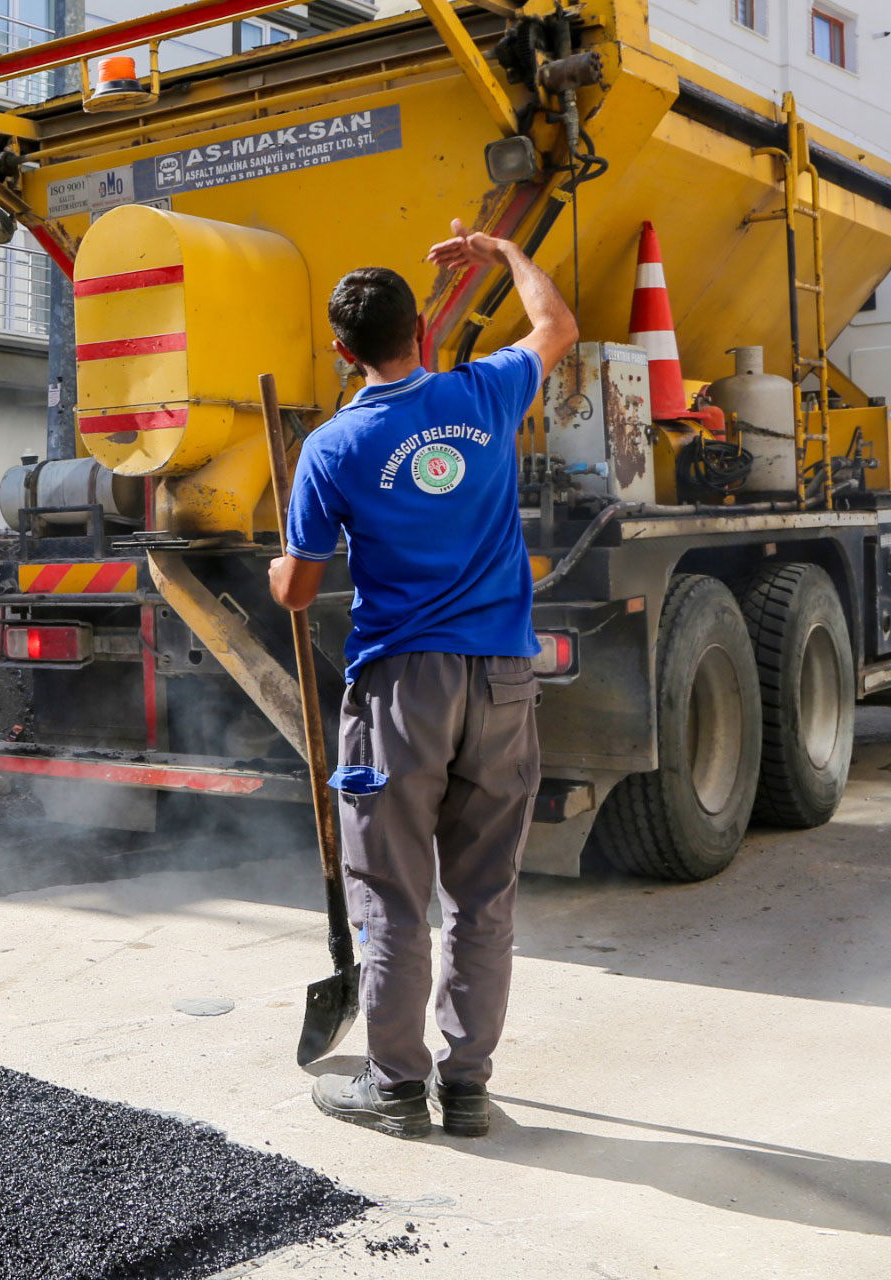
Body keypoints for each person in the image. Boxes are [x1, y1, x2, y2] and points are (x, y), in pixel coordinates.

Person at [266, 220, 577, 1140]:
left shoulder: (331, 448)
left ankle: (398, 1088)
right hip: (505, 679)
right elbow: (554, 324)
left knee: (397, 896)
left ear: (341, 351)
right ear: (425, 335)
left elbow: (301, 584)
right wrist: (505, 256)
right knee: (484, 895)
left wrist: (280, 568)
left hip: (404, 689)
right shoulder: (484, 391)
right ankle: (468, 1087)